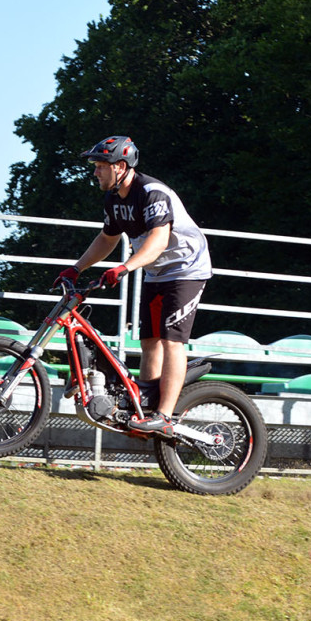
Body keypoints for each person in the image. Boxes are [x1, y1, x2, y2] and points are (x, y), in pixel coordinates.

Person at [56, 135, 212, 437]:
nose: (95, 172)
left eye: (101, 166)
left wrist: (126, 267)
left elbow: (159, 239)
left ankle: (165, 415)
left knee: (171, 341)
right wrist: (76, 268)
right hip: (156, 272)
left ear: (121, 166)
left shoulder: (151, 193)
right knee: (149, 340)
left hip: (187, 269)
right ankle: (146, 409)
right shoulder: (113, 199)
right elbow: (107, 239)